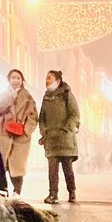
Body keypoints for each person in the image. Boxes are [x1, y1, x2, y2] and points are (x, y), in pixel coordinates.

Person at [0, 69, 38, 195]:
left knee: (17, 165)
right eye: (13, 78)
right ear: (9, 80)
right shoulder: (4, 94)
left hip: (20, 136)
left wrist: (26, 130)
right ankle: (2, 190)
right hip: (4, 133)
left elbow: (33, 117)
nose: (16, 80)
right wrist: (9, 98)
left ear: (22, 80)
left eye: (18, 78)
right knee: (2, 164)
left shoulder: (28, 97)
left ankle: (17, 192)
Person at [39, 69, 80, 204]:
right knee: (52, 170)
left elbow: (74, 115)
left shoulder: (67, 95)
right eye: (46, 78)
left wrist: (66, 129)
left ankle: (72, 192)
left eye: (49, 78)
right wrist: (44, 132)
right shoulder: (46, 97)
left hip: (65, 138)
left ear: (57, 81)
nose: (47, 80)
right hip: (51, 139)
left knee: (67, 169)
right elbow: (42, 118)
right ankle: (53, 194)